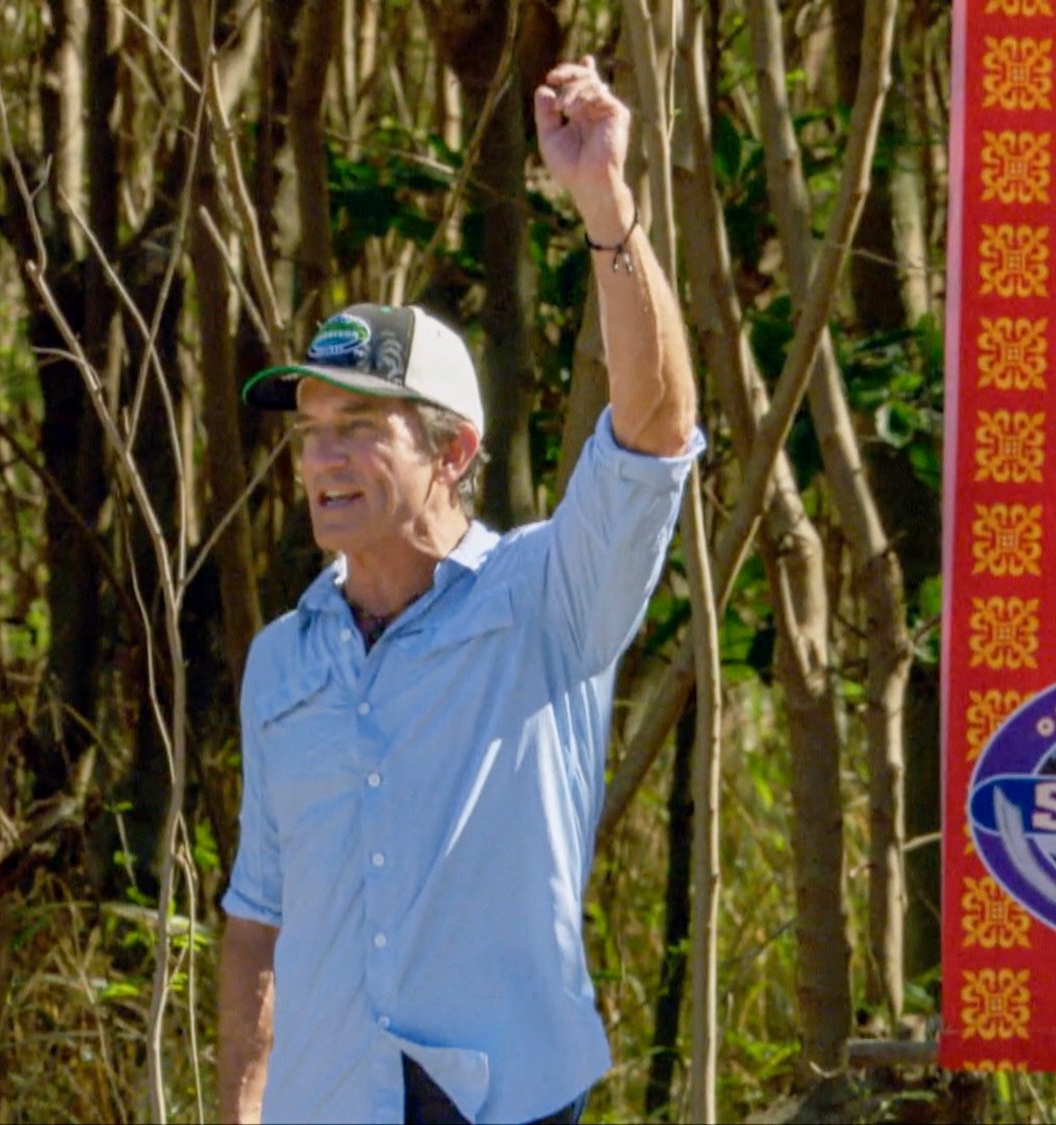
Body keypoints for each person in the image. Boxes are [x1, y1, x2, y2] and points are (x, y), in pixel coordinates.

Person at [217, 57, 703, 1125]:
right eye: (309, 434)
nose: (321, 461)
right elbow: (259, 914)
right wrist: (237, 1107)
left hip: (507, 1105)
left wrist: (603, 206)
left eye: (357, 430)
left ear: (452, 450)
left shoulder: (544, 600)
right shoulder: (283, 658)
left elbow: (655, 432)